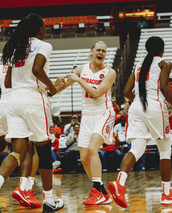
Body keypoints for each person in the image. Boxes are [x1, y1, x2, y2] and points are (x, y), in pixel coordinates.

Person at [0, 13, 64, 213]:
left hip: (13, 99)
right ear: (40, 29)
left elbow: (7, 83)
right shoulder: (44, 46)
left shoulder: (14, 47)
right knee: (43, 150)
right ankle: (49, 200)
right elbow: (37, 69)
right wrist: (51, 87)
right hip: (34, 99)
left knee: (17, 151)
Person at [108, 36, 172, 208]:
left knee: (136, 149)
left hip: (136, 107)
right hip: (154, 105)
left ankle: (120, 183)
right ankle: (166, 193)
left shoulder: (139, 64)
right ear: (162, 49)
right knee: (165, 150)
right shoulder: (164, 63)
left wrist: (139, 102)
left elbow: (126, 91)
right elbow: (164, 88)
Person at [56, 40, 116, 205]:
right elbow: (65, 84)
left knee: (92, 149)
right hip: (88, 115)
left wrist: (79, 80)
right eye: (98, 50)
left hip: (104, 113)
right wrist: (49, 91)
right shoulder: (82, 69)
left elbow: (96, 93)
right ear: (92, 51)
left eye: (104, 50)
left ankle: (96, 189)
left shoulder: (110, 72)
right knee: (83, 158)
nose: (101, 53)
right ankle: (101, 190)